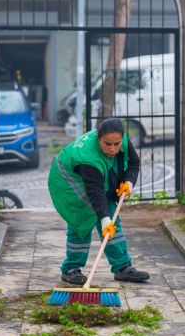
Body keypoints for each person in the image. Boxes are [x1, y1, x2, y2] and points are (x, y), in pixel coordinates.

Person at [47, 118, 149, 285]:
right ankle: (71, 269)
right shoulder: (88, 157)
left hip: (92, 178)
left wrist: (128, 182)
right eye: (107, 144)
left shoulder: (121, 140)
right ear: (98, 139)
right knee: (82, 221)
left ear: (122, 138)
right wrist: (104, 218)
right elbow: (95, 192)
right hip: (67, 181)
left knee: (112, 222)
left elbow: (134, 163)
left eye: (117, 144)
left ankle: (122, 267)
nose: (113, 149)